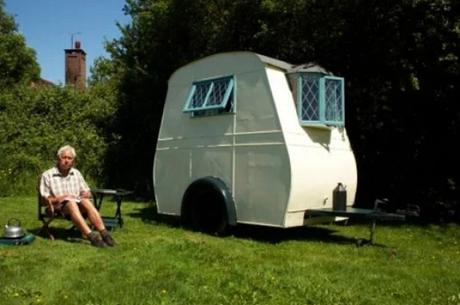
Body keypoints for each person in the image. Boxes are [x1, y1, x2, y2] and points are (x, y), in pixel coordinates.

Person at [39, 145, 116, 248]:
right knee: (71, 203)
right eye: (64, 157)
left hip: (77, 204)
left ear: (73, 161)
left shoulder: (76, 173)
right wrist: (59, 198)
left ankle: (105, 234)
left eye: (69, 158)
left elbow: (86, 190)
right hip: (57, 207)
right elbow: (44, 201)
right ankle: (92, 237)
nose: (66, 160)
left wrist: (86, 194)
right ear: (58, 158)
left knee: (86, 201)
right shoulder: (47, 175)